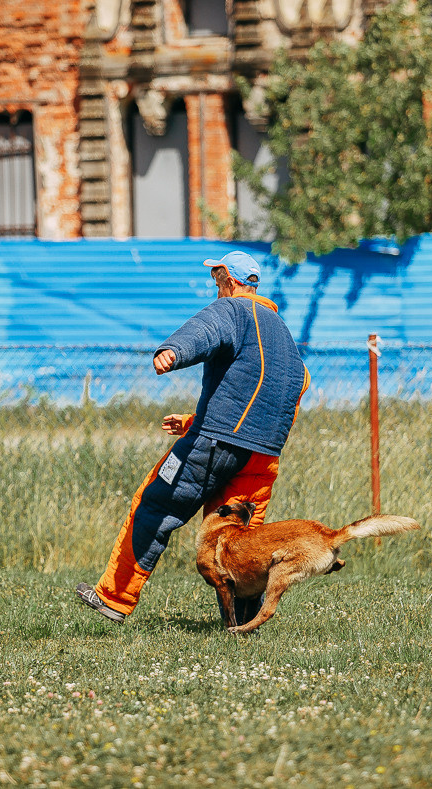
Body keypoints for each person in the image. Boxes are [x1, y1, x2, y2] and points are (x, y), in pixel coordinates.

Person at [75, 250, 310, 625]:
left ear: (230, 282)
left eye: (217, 281)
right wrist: (192, 421)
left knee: (154, 505)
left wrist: (173, 351)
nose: (216, 289)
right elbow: (279, 393)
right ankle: (241, 623)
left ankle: (113, 598)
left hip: (215, 445)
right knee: (238, 539)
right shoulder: (284, 336)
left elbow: (205, 329)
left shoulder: (234, 310)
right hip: (262, 456)